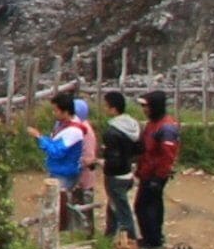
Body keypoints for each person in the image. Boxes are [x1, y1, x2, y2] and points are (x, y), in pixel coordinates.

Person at [39, 97, 93, 233]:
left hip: (64, 172)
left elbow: (57, 151)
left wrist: (40, 138)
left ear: (66, 111)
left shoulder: (74, 131)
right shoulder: (65, 126)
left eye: (56, 110)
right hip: (60, 170)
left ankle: (60, 232)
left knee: (60, 204)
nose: (54, 113)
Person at [140, 91, 181, 249]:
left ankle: (153, 241)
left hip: (155, 174)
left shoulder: (166, 127)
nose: (144, 109)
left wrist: (159, 177)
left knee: (145, 206)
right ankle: (153, 236)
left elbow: (168, 155)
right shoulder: (153, 123)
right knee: (152, 204)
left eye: (146, 106)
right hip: (148, 171)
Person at [100, 90, 143, 240]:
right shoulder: (133, 125)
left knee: (122, 210)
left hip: (115, 176)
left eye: (106, 106)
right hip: (128, 172)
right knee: (114, 205)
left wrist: (101, 160)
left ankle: (131, 241)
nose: (104, 109)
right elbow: (139, 149)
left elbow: (113, 160)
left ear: (113, 109)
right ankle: (109, 234)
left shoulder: (111, 133)